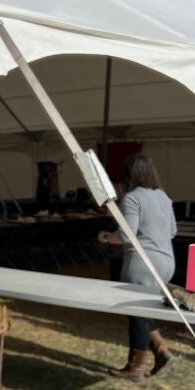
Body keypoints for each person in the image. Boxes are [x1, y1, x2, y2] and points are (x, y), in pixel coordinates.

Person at [97, 153, 177, 382]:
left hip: (143, 263)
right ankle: (161, 351)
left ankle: (137, 368)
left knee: (137, 313)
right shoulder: (164, 197)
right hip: (167, 262)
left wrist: (105, 236)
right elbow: (172, 231)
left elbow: (126, 235)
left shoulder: (132, 198)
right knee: (141, 311)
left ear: (130, 174)